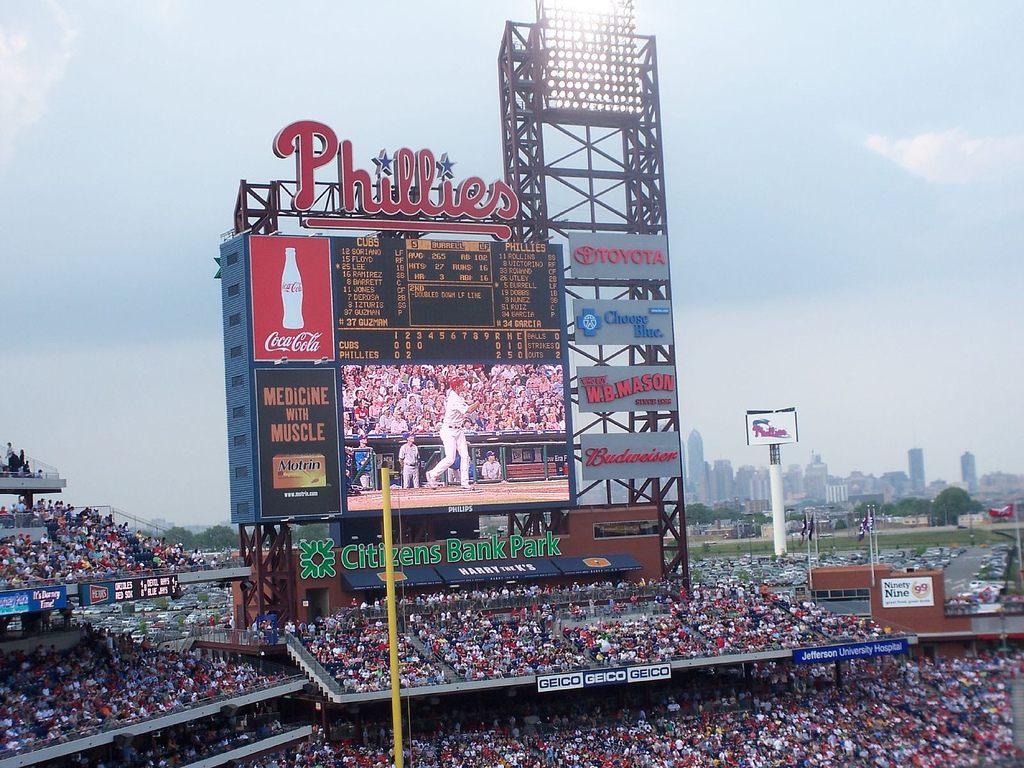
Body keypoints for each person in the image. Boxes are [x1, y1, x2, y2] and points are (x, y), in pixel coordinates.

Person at [425, 376, 478, 490]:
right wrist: (478, 402)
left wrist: (473, 402)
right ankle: (432, 474)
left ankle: (464, 483)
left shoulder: (456, 396)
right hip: (449, 430)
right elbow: (468, 410)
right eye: (461, 384)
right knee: (450, 458)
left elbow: (466, 406)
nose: (463, 386)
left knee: (465, 456)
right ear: (457, 387)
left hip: (458, 430)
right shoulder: (454, 398)